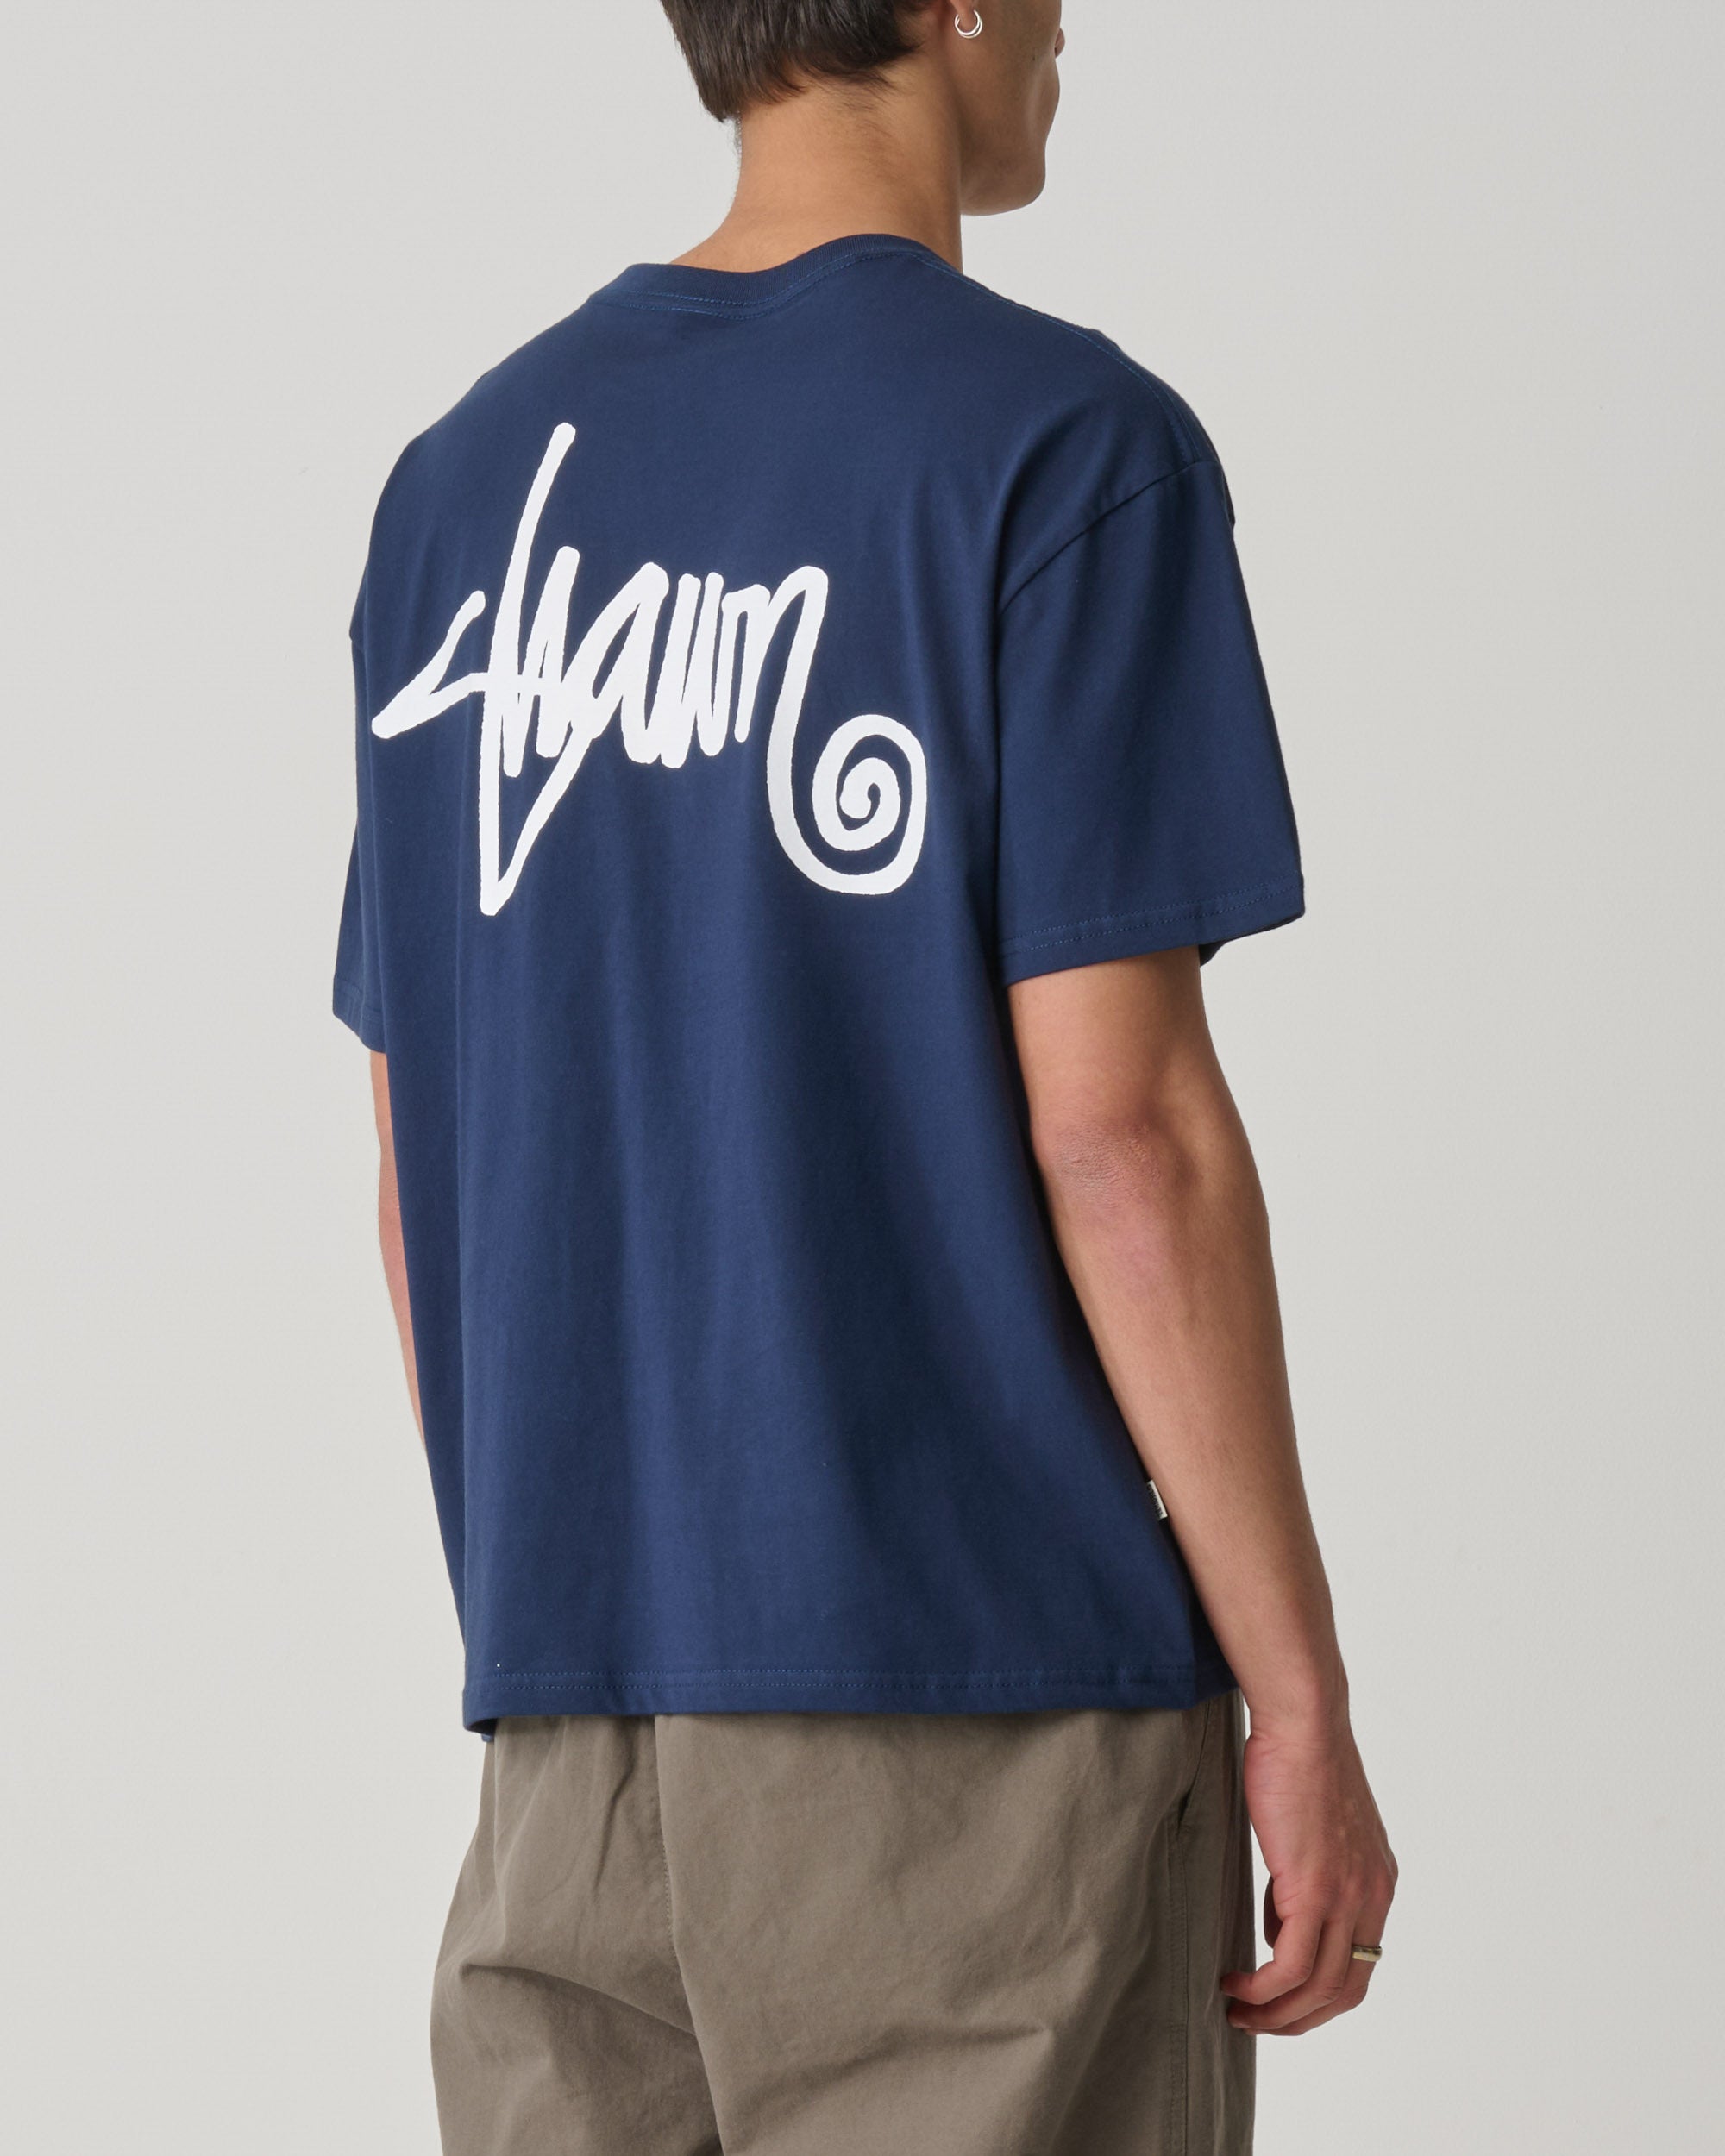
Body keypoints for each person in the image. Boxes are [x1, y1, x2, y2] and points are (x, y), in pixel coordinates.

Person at [333, 3, 1396, 2148]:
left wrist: (567, 1617)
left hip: (570, 1743)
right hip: (977, 1719)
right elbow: (1124, 1132)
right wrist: (1298, 1690)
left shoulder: (461, 491)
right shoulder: (1060, 451)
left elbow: (416, 1151)